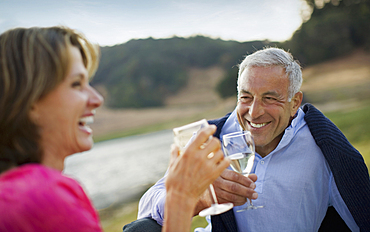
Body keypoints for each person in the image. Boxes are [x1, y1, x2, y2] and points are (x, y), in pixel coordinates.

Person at [0, 26, 230, 232]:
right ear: (30, 101)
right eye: (76, 84)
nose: (97, 98)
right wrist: (181, 198)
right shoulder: (43, 197)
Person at [136, 47, 370, 231]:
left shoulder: (326, 147)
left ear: (295, 102)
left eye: (270, 99)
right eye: (246, 97)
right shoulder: (209, 138)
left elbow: (362, 217)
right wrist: (196, 198)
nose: (254, 111)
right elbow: (146, 210)